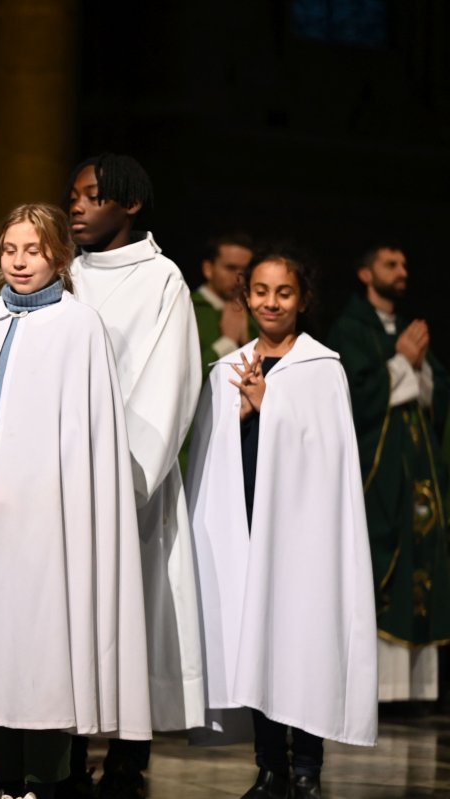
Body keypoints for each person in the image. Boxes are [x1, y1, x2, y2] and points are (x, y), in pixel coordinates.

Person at [0, 203, 151, 799]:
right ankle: (8, 777)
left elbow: (83, 439)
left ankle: (51, 777)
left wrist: (29, 492)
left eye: (34, 251)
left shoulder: (79, 327)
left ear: (59, 258)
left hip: (48, 521)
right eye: (11, 250)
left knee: (44, 645)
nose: (20, 262)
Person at [187, 253, 377, 799]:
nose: (272, 302)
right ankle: (269, 766)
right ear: (246, 297)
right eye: (262, 291)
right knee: (259, 643)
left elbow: (328, 457)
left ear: (303, 299)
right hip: (245, 527)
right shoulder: (226, 367)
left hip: (303, 533)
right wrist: (240, 413)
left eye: (284, 293)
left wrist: (271, 406)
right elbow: (211, 449)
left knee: (304, 642)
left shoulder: (322, 368)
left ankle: (307, 769)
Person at [64, 153, 204, 799]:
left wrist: (125, 479)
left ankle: (127, 758)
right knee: (63, 620)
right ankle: (64, 751)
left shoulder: (162, 280)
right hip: (58, 479)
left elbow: (170, 381)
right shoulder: (61, 273)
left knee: (130, 618)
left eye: (92, 196)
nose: (77, 206)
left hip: (127, 484)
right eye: (74, 196)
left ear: (131, 204)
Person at [326, 245, 450, 707]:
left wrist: (416, 366)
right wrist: (399, 364)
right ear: (365, 273)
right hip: (376, 475)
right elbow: (351, 397)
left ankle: (413, 689)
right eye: (390, 265)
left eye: (404, 264)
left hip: (417, 472)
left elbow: (436, 392)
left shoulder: (410, 332)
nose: (403, 272)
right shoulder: (350, 329)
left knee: (420, 560)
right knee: (380, 559)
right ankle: (374, 688)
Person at [192, 232, 256, 377]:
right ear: (208, 269)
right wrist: (228, 342)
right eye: (231, 268)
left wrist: (247, 343)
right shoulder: (187, 309)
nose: (239, 278)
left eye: (244, 270)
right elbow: (184, 376)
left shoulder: (256, 313)